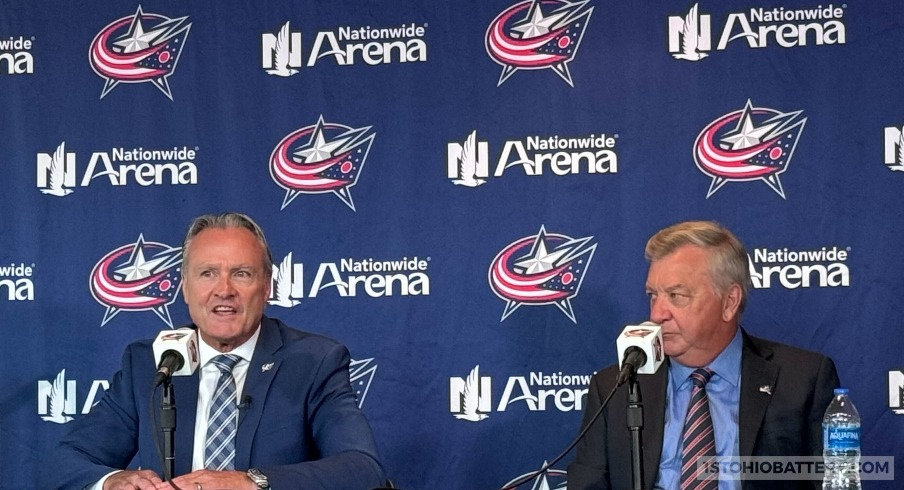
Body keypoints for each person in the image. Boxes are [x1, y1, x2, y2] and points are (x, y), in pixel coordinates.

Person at [43, 212, 386, 490]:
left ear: (267, 286)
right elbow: (66, 462)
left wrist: (251, 482)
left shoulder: (313, 361)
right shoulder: (151, 363)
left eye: (241, 274)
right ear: (185, 288)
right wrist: (113, 481)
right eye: (207, 274)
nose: (224, 290)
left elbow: (361, 467)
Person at [567, 220, 840, 490]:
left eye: (676, 295)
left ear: (729, 302)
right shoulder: (615, 387)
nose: (657, 314)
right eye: (653, 295)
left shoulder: (804, 380)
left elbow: (834, 482)